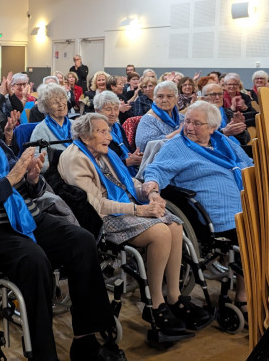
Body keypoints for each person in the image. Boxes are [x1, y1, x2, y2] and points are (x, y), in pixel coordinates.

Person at [0, 106, 126, 361]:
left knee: (82, 240)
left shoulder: (1, 150)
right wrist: (10, 180)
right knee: (34, 261)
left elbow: (28, 191)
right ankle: (43, 353)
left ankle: (85, 340)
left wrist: (32, 180)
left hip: (29, 218)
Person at [58, 113, 208, 333]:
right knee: (160, 233)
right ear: (85, 136)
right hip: (103, 219)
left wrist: (150, 192)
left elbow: (127, 183)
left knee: (176, 226)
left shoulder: (104, 152)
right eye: (102, 131)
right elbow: (97, 205)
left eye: (108, 131)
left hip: (128, 207)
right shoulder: (75, 159)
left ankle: (175, 296)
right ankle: (155, 304)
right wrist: (139, 209)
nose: (109, 136)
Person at [142, 100, 254, 313]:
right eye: (187, 122)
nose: (189, 127)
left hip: (245, 207)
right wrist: (153, 189)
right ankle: (243, 296)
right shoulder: (177, 147)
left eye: (197, 123)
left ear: (213, 128)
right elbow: (155, 170)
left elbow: (247, 164)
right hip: (214, 216)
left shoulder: (226, 143)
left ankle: (259, 287)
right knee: (252, 234)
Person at [94, 91, 142, 175]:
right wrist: (126, 162)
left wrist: (135, 156)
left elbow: (127, 149)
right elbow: (100, 165)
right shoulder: (95, 132)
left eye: (116, 108)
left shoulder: (117, 127)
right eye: (108, 109)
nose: (113, 113)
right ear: (97, 111)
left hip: (130, 170)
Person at [29, 83, 72, 172]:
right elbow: (41, 164)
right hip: (57, 176)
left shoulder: (77, 126)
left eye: (62, 98)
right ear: (46, 107)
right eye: (54, 102)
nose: (61, 104)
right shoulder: (40, 130)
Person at [135, 81, 184, 152]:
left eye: (169, 96)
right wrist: (176, 134)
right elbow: (143, 146)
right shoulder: (148, 120)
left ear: (177, 98)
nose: (164, 100)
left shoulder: (182, 118)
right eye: (160, 96)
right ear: (154, 99)